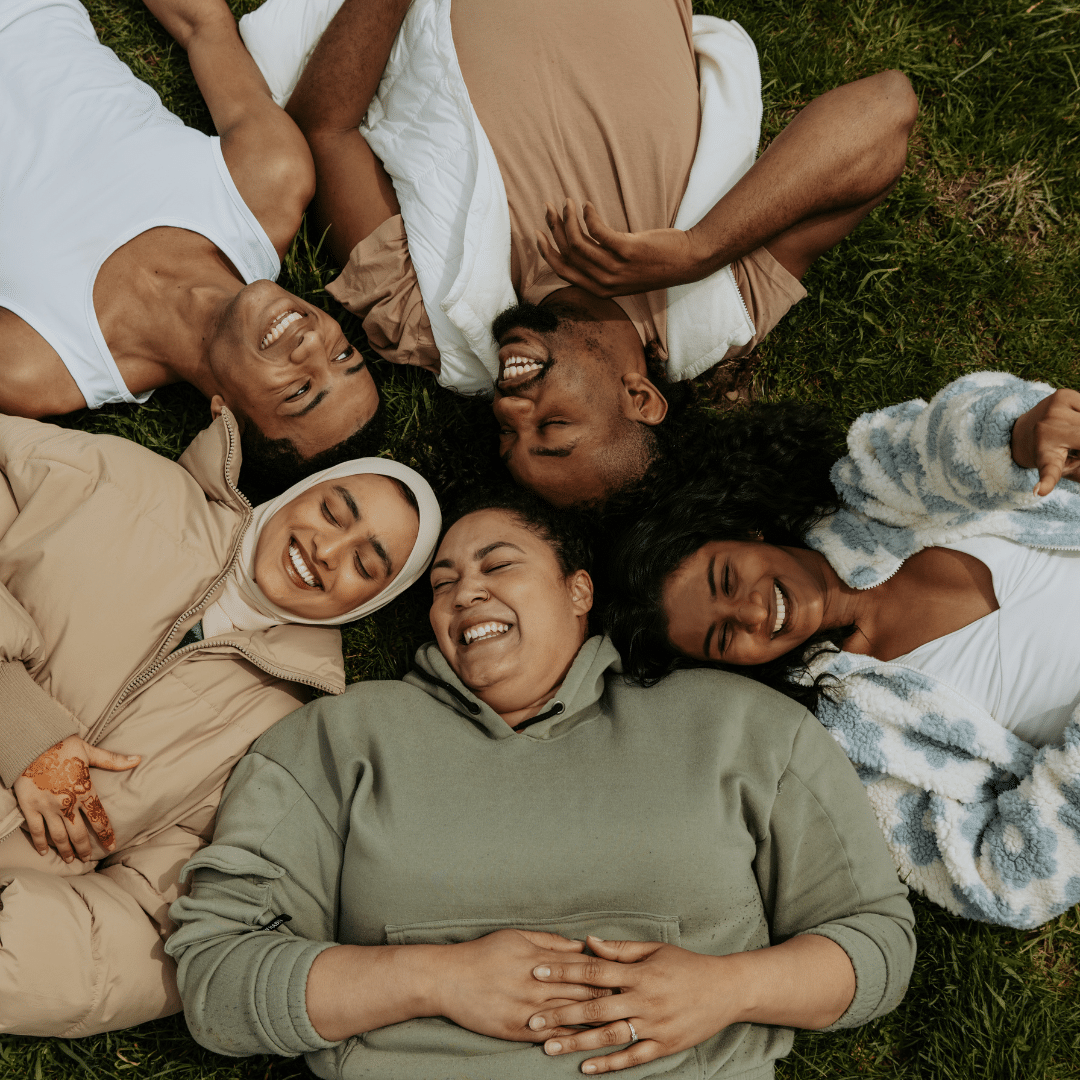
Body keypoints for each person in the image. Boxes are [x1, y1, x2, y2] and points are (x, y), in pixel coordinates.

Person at [166, 490, 914, 1079]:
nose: (465, 594)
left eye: (498, 566)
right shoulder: (336, 739)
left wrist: (726, 991)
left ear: (578, 590)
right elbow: (216, 981)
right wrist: (435, 978)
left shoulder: (744, 727)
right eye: (443, 583)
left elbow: (875, 944)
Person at [237, 0, 919, 506]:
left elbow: (326, 129)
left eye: (508, 438)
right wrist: (699, 249)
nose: (509, 410)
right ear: (640, 398)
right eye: (552, 426)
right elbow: (886, 109)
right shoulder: (718, 304)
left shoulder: (427, 319)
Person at [0, 403, 441, 1037]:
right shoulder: (119, 483)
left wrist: (15, 945)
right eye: (331, 511)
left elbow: (158, 921)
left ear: (371, 602)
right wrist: (18, 719)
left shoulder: (288, 735)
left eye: (366, 565)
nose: (327, 549)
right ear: (299, 491)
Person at [606, 370, 1080, 929]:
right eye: (723, 636)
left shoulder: (874, 491)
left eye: (728, 579)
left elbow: (952, 438)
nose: (755, 612)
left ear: (743, 531)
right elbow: (1005, 884)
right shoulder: (852, 744)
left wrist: (1019, 436)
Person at [0, 0, 389, 493]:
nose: (313, 344)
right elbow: (203, 25)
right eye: (342, 354)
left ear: (225, 418)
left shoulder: (38, 365)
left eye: (299, 390)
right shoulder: (267, 183)